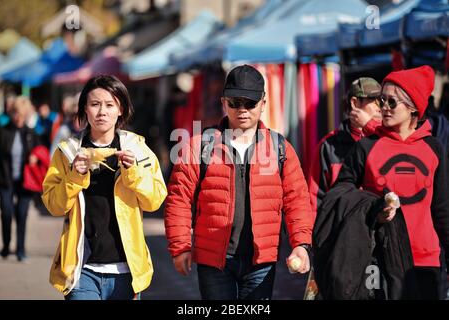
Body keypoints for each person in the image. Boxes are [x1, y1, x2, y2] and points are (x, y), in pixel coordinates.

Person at [164, 64, 313, 300]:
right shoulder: (199, 146)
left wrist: (301, 244)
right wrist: (180, 246)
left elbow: (297, 200)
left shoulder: (280, 148)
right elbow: (178, 199)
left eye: (250, 103)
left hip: (261, 261)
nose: (242, 110)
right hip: (214, 261)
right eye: (235, 103)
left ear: (263, 103)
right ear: (224, 102)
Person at [41, 75, 167, 300]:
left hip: (127, 271)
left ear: (121, 110)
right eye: (95, 104)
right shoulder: (67, 152)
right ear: (85, 110)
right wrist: (74, 176)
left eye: (110, 105)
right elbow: (54, 206)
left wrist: (133, 172)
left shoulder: (138, 150)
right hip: (82, 271)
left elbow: (155, 201)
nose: (102, 112)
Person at [329, 65, 449, 299]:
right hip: (378, 258)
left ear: (413, 106)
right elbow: (340, 193)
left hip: (424, 260)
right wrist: (373, 210)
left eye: (392, 102)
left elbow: (442, 209)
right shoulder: (366, 146)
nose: (383, 107)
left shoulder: (433, 148)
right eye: (381, 100)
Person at [308, 77, 382, 217]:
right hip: (342, 233)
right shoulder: (329, 145)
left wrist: (371, 127)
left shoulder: (384, 140)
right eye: (375, 100)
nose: (381, 107)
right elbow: (314, 198)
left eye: (382, 100)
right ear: (354, 103)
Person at [0, 96, 40, 262]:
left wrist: (35, 157)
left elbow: (41, 150)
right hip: (5, 180)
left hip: (25, 182)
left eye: (22, 114)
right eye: (16, 113)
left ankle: (21, 250)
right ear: (11, 112)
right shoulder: (2, 132)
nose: (18, 117)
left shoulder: (31, 133)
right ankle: (6, 246)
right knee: (7, 213)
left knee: (22, 214)